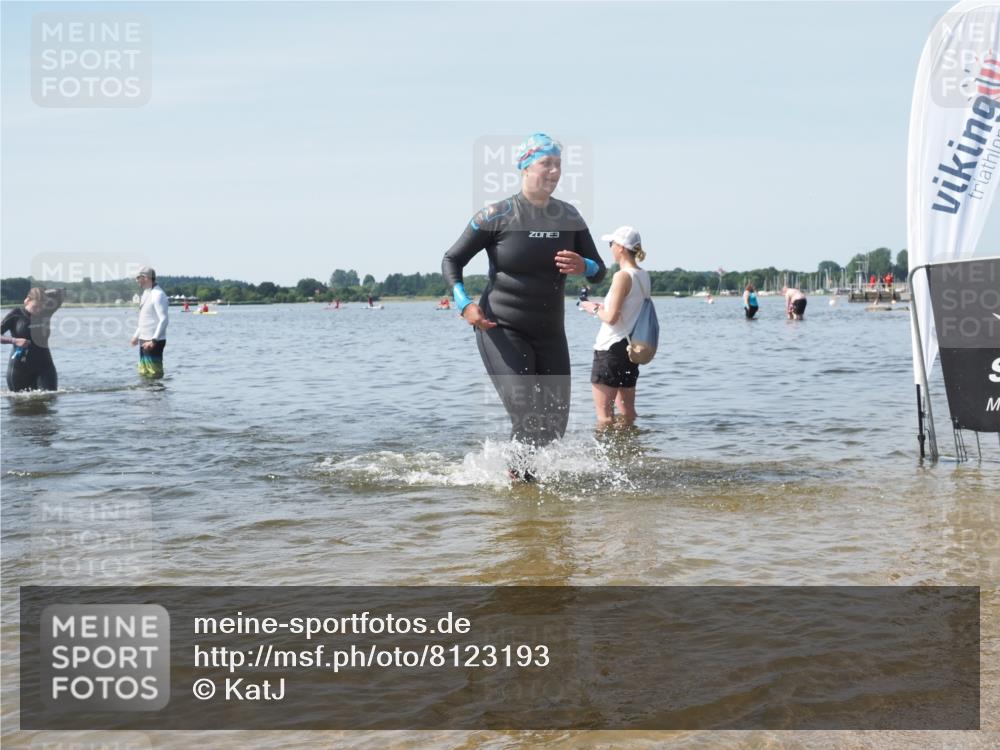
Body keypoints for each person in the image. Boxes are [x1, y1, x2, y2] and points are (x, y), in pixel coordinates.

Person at [442, 132, 606, 456]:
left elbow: (600, 271)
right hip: (501, 328)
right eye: (546, 163)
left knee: (554, 426)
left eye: (559, 165)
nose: (555, 171)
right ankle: (521, 482)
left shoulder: (569, 217)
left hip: (550, 333)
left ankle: (532, 501)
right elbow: (452, 260)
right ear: (526, 167)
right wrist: (464, 305)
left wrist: (583, 264)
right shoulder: (496, 215)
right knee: (529, 417)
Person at [580, 226, 648, 429]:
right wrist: (604, 307)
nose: (610, 248)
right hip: (629, 348)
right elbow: (628, 310)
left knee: (604, 416)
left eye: (611, 244)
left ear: (620, 247)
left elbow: (611, 318)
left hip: (610, 349)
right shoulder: (643, 275)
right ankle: (630, 453)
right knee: (628, 412)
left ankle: (604, 460)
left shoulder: (622, 276)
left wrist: (592, 308)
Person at [1, 287, 65, 391]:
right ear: (27, 301)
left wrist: (42, 294)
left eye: (41, 306)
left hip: (45, 367)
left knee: (49, 399)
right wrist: (14, 341)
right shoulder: (15, 315)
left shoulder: (46, 312)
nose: (39, 310)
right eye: (36, 306)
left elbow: (61, 291)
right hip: (19, 370)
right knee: (20, 404)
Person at [130, 267, 169, 378]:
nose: (137, 281)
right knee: (143, 373)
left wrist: (154, 340)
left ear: (146, 278)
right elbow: (144, 319)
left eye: (138, 278)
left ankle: (157, 395)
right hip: (144, 340)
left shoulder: (158, 295)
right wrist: (136, 336)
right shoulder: (146, 294)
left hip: (154, 341)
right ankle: (146, 395)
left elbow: (164, 319)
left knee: (154, 374)